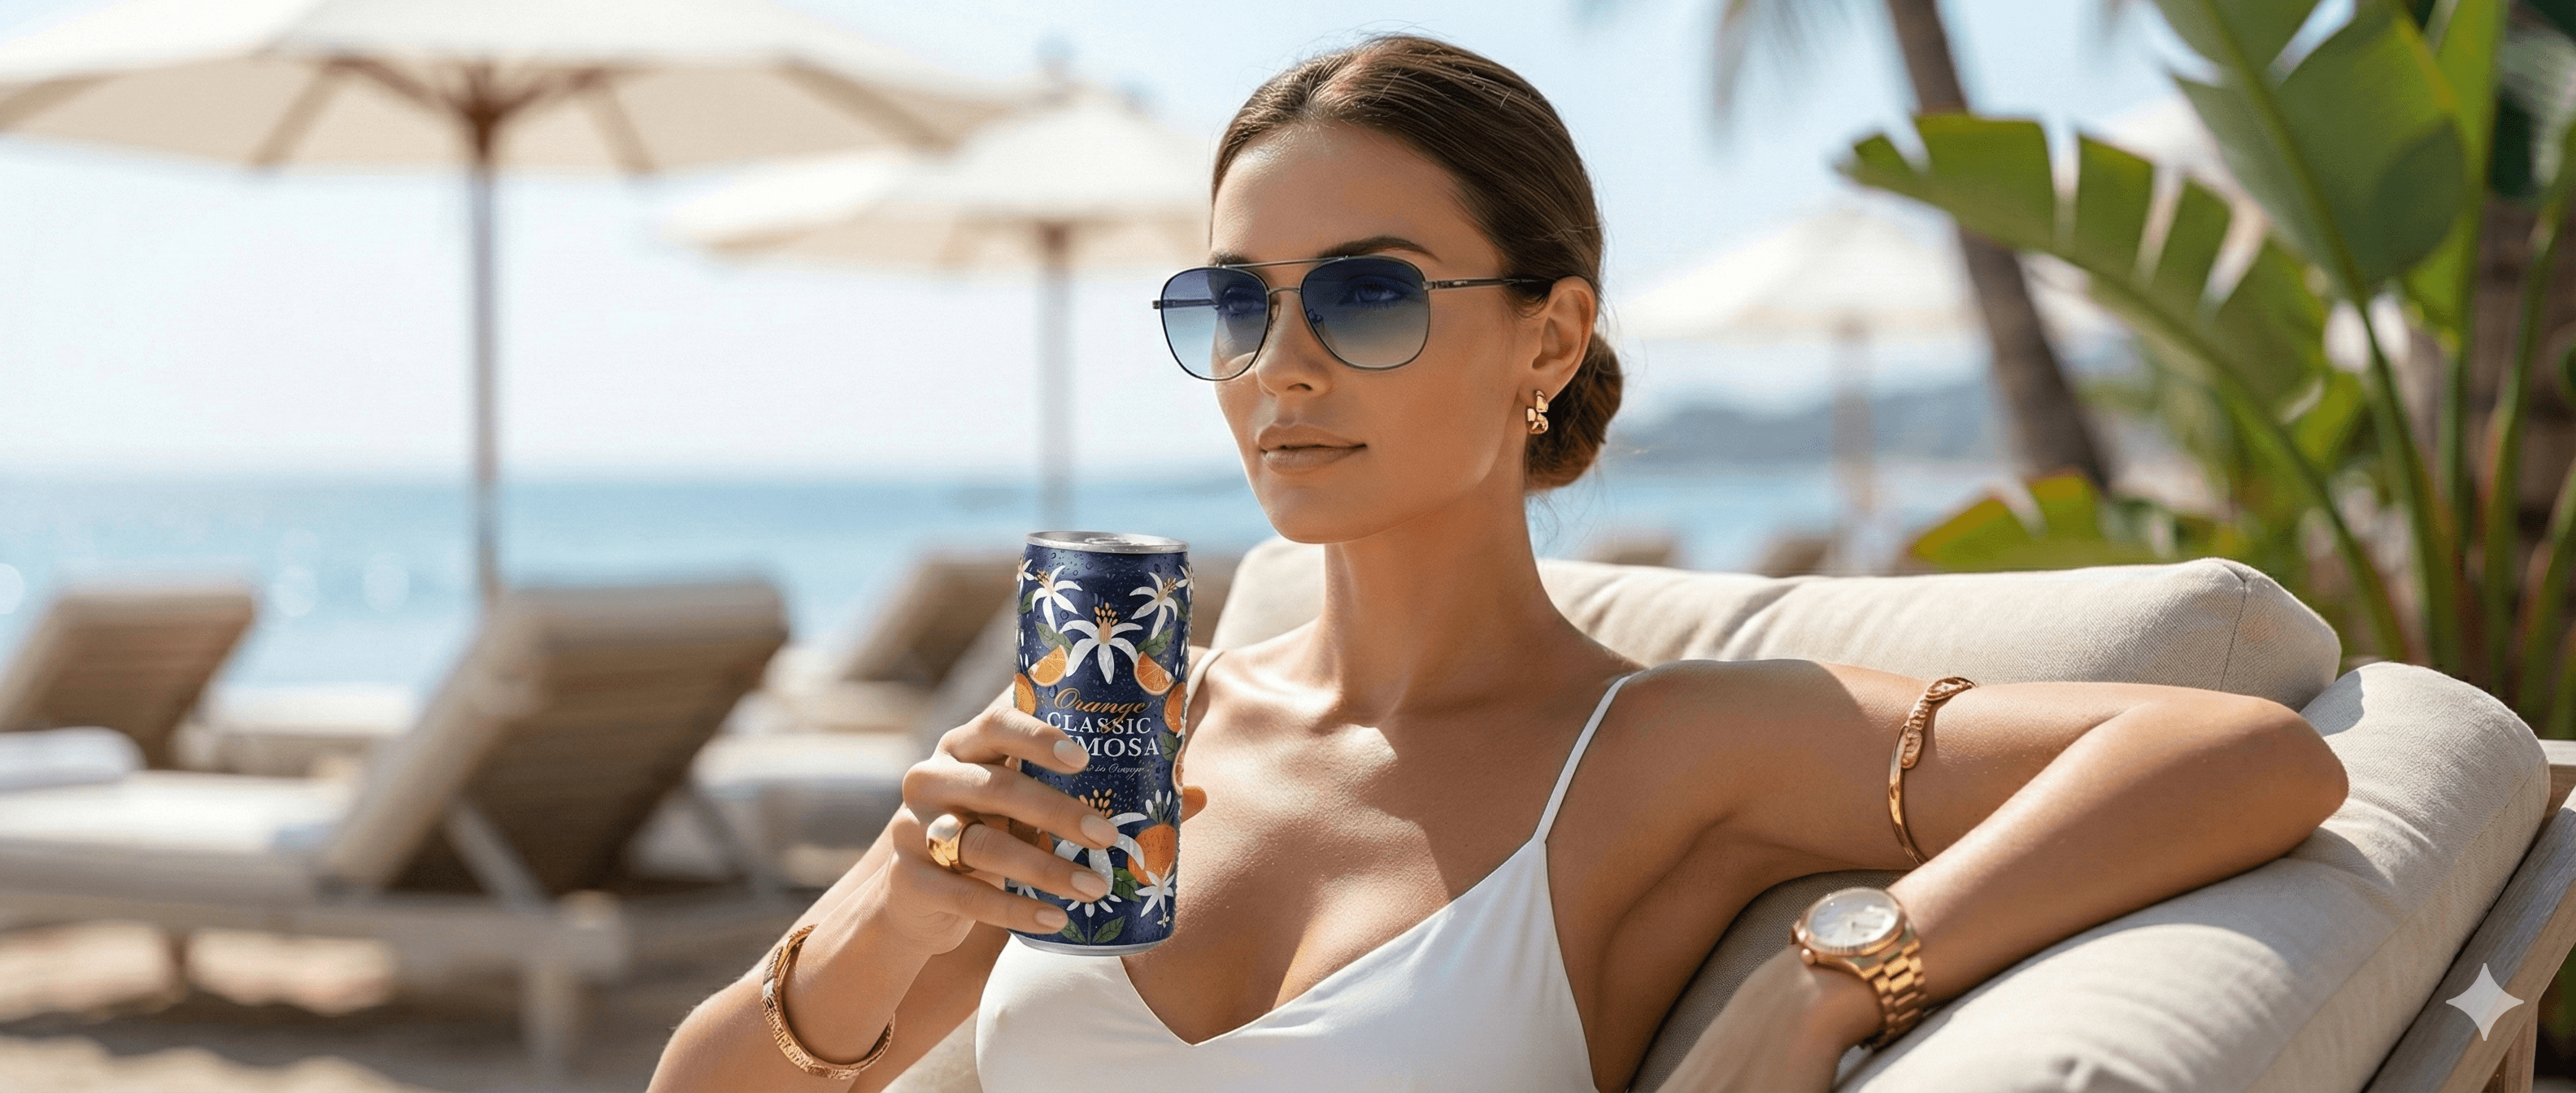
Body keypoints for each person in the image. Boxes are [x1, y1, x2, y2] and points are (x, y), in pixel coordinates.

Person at [648, 34, 2347, 1093]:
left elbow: (2245, 754)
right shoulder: (1132, 742)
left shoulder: (1663, 750)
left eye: (1369, 294)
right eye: (1234, 301)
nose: (1282, 363)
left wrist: (1843, 976)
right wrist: (899, 894)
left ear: (1549, 341)